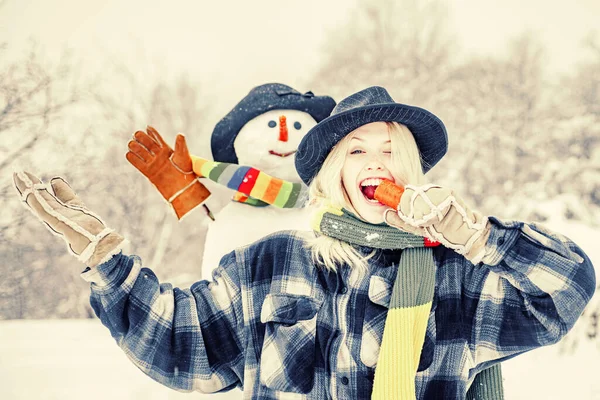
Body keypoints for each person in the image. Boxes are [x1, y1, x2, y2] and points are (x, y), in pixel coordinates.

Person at [13, 86, 595, 399]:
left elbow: (565, 290)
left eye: (392, 149)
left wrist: (479, 238)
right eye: (357, 150)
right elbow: (180, 346)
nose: (376, 162)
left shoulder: (460, 278)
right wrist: (108, 265)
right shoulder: (272, 263)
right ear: (329, 175)